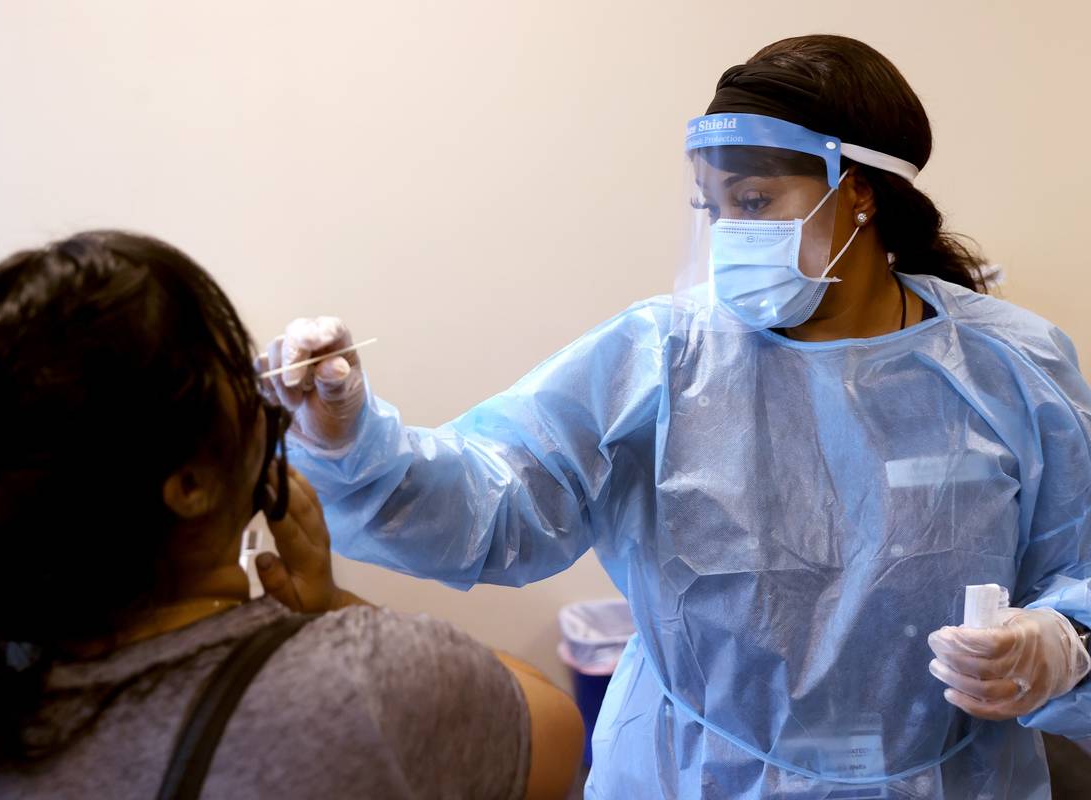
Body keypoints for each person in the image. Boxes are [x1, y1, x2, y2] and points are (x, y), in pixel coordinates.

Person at [260, 35, 1091, 799]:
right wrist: (350, 443)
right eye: (713, 208)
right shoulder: (659, 360)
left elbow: (1079, 567)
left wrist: (1062, 648)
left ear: (861, 193)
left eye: (757, 200)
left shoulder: (1012, 369)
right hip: (689, 775)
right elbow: (492, 505)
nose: (732, 233)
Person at [0, 231, 584, 799]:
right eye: (227, 363)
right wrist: (330, 608)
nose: (257, 383)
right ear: (188, 484)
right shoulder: (365, 687)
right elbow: (553, 735)